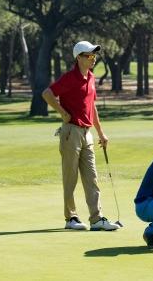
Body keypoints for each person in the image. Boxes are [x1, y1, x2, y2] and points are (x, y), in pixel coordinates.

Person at [40, 40, 119, 231]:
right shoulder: (69, 78)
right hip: (71, 132)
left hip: (87, 133)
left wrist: (101, 132)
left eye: (94, 55)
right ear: (79, 58)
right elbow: (47, 93)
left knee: (92, 177)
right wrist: (62, 113)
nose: (93, 59)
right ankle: (71, 218)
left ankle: (97, 218)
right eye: (89, 55)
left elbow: (92, 107)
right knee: (71, 177)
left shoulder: (91, 77)